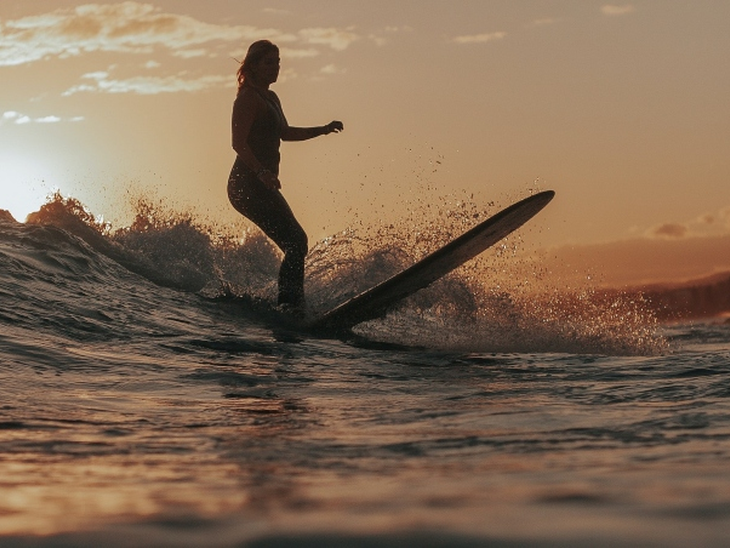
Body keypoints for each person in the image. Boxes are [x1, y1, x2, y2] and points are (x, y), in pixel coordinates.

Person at [228, 40, 343, 313]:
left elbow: (285, 133)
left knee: (295, 242)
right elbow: (238, 143)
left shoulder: (271, 98)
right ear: (254, 65)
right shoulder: (247, 99)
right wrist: (261, 172)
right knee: (296, 241)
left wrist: (323, 129)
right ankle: (289, 305)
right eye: (269, 62)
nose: (276, 67)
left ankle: (290, 303)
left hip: (262, 183)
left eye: (278, 61)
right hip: (245, 184)